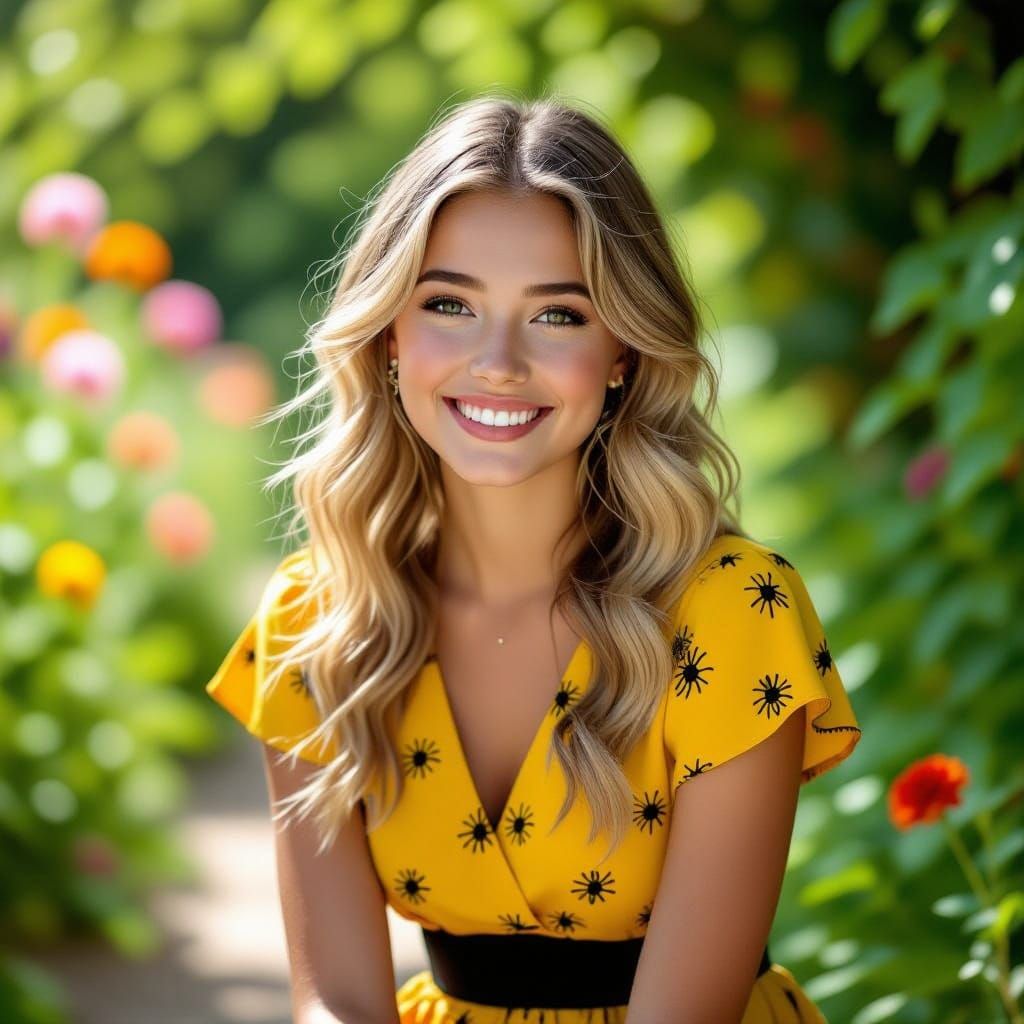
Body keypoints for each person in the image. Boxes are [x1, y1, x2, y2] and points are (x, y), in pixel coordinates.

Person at [205, 93, 863, 1024]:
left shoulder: (735, 615)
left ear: (625, 350)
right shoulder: (319, 618)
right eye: (449, 305)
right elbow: (339, 1003)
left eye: (557, 316)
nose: (498, 361)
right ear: (391, 333)